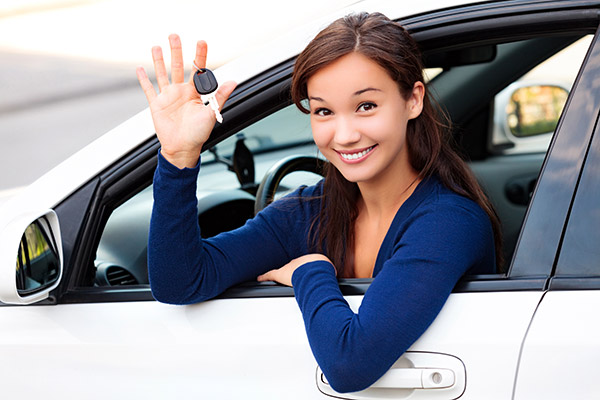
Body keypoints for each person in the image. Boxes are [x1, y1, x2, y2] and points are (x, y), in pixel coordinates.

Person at [136, 12, 501, 393]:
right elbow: (180, 282)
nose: (344, 135)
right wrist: (179, 157)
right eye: (324, 111)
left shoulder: (450, 222)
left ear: (413, 100)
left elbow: (350, 364)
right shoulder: (308, 212)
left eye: (366, 106)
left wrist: (308, 271)